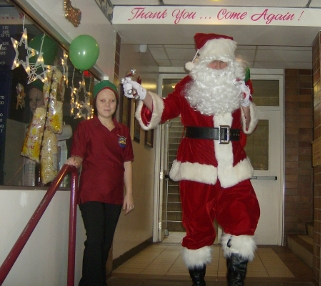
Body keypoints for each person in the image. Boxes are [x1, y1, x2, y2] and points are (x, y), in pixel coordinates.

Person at [122, 33, 260, 286]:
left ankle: (236, 280)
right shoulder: (187, 87)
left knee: (243, 218)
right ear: (201, 61)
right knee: (197, 226)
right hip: (197, 168)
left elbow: (248, 126)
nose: (218, 67)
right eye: (213, 61)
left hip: (234, 168)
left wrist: (246, 102)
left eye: (223, 62)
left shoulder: (238, 87)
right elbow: (164, 109)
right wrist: (144, 96)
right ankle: (198, 282)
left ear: (230, 64)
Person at [65, 80, 135, 286]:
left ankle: (89, 281)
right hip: (91, 193)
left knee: (104, 245)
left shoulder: (123, 131)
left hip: (114, 196)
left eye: (112, 101)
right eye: (103, 100)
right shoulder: (86, 127)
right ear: (95, 102)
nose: (107, 104)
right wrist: (74, 161)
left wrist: (129, 193)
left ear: (116, 103)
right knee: (94, 241)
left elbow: (127, 162)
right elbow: (78, 154)